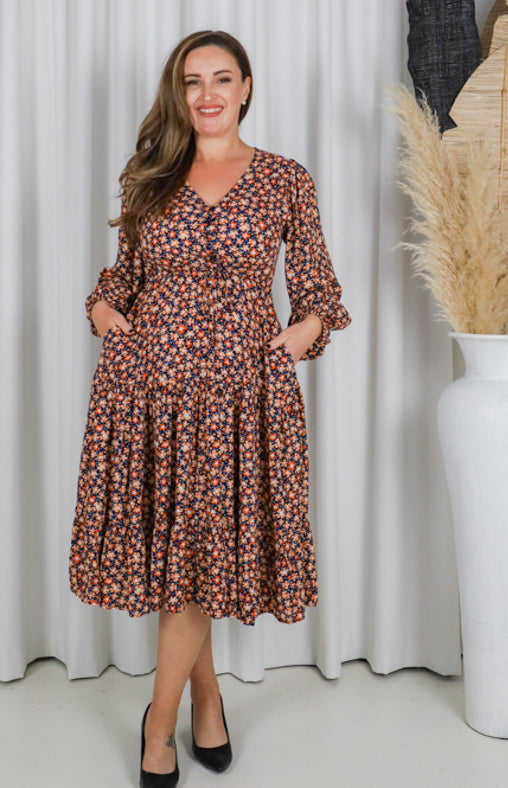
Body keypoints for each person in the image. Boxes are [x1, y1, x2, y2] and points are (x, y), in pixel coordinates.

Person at [68, 30, 351, 786]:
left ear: (247, 86)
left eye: (222, 78)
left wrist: (296, 337)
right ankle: (188, 717)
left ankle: (164, 723)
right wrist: (102, 312)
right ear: (179, 93)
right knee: (185, 560)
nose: (207, 93)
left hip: (243, 397)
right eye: (192, 81)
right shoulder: (149, 177)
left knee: (197, 559)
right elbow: (121, 281)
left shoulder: (287, 179)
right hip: (151, 389)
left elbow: (322, 295)